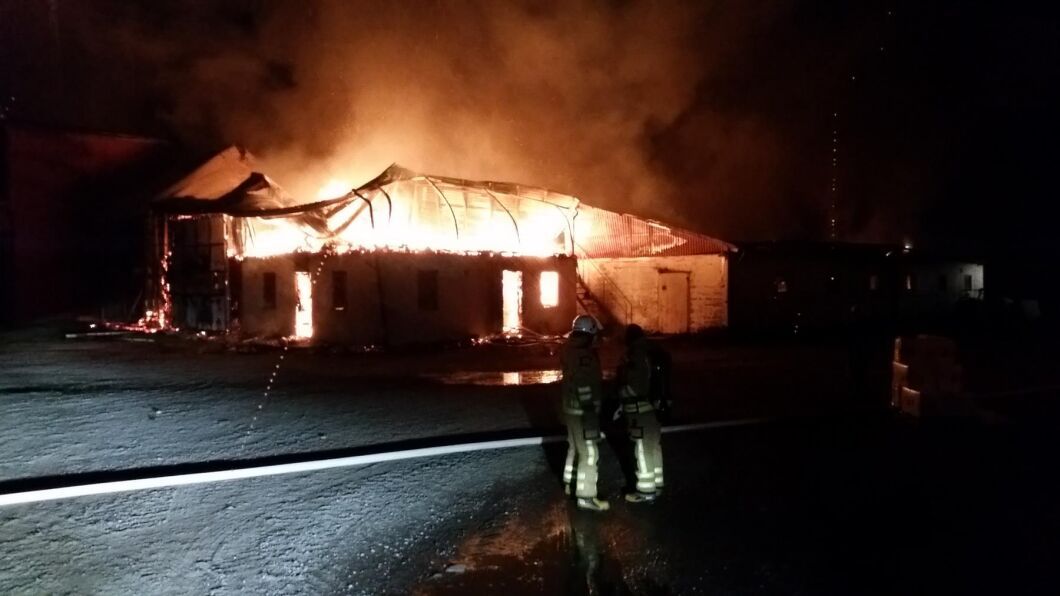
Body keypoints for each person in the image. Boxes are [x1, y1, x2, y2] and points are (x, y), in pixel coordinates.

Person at [561, 314, 610, 512]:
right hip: (584, 411)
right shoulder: (585, 356)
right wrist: (590, 407)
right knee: (590, 453)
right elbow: (584, 384)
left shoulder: (569, 350)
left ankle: (569, 483)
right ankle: (586, 495)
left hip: (570, 409)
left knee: (574, 448)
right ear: (589, 332)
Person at [617, 324, 664, 503]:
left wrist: (621, 394)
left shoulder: (635, 355)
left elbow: (636, 387)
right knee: (653, 448)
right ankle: (657, 484)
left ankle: (646, 491)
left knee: (642, 452)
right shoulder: (651, 352)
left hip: (639, 412)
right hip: (653, 411)